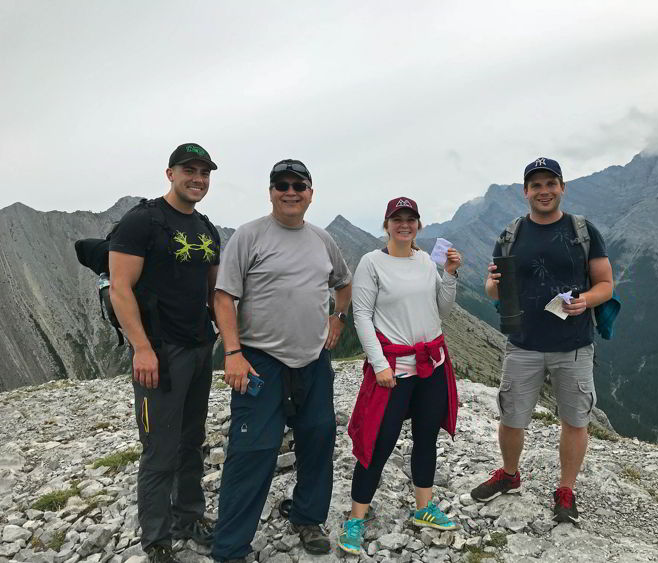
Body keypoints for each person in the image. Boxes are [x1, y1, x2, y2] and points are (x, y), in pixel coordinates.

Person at [211, 159, 352, 562]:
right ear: (271, 191)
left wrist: (338, 319)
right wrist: (233, 353)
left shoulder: (322, 239)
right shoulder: (248, 236)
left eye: (298, 185)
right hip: (260, 361)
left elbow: (343, 283)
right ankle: (231, 548)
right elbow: (224, 297)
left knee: (319, 438)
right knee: (252, 450)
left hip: (312, 360)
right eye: (281, 185)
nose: (290, 192)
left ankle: (307, 517)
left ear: (311, 192)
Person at [469, 157, 613, 524]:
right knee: (512, 417)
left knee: (575, 420)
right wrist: (493, 281)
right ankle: (509, 474)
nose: (544, 191)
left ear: (562, 187)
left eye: (550, 183)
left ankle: (565, 490)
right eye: (536, 185)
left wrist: (587, 301)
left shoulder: (583, 230)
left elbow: (605, 284)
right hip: (523, 343)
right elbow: (492, 292)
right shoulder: (511, 234)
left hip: (574, 344)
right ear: (526, 192)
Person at [109, 143, 221, 562]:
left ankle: (188, 516)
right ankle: (157, 541)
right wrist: (141, 349)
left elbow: (212, 292)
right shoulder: (143, 221)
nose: (198, 178)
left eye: (204, 172)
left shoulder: (206, 228)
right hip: (160, 352)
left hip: (198, 348)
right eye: (189, 170)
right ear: (170, 173)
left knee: (192, 440)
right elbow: (121, 288)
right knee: (159, 449)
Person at [338, 197, 462, 555]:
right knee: (377, 443)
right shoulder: (372, 263)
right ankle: (356, 517)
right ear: (387, 224)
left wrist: (449, 276)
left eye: (410, 219)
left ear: (419, 225)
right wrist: (378, 364)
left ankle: (424, 508)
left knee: (426, 438)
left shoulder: (426, 260)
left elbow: (442, 310)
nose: (404, 224)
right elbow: (362, 315)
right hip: (395, 368)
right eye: (397, 219)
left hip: (432, 365)